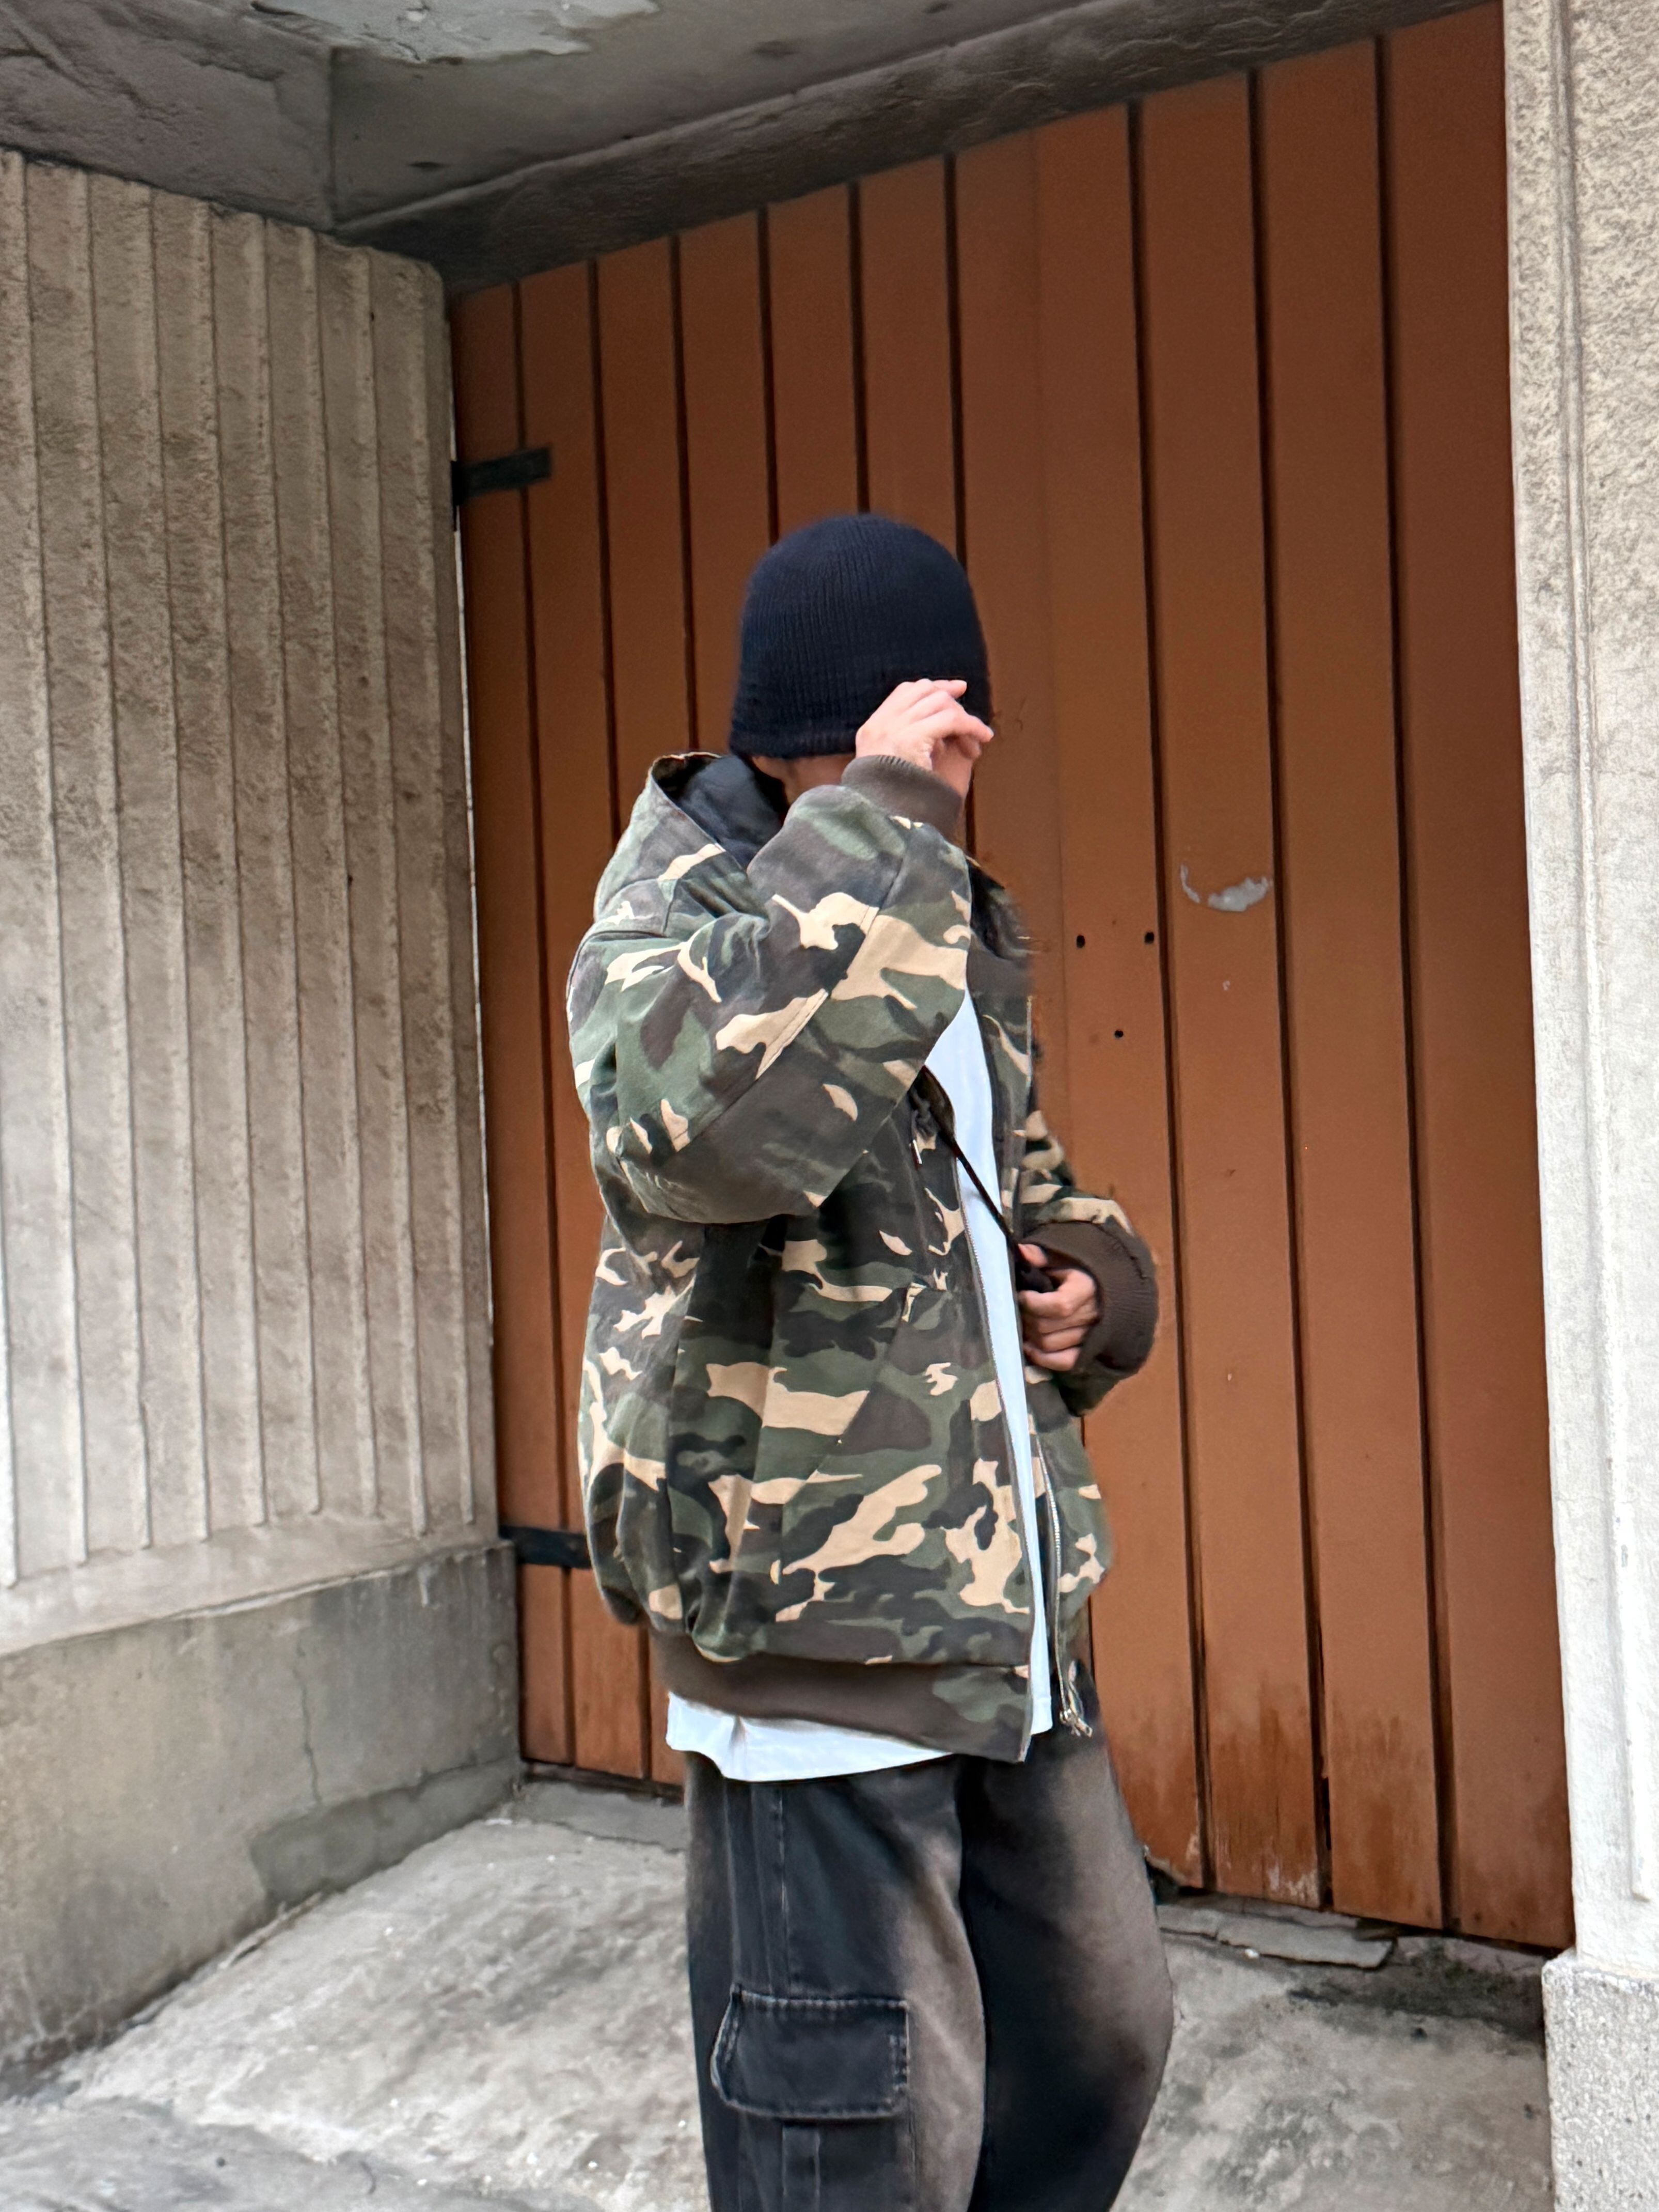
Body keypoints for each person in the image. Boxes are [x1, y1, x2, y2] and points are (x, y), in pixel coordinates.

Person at [566, 514, 1172, 2210]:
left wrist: (1094, 1285)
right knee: (857, 2153)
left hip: (998, 1617)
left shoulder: (925, 905)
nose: (957, 770)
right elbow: (719, 1136)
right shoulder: (675, 918)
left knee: (1097, 2041)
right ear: (821, 730)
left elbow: (1016, 1177)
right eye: (926, 732)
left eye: (962, 737)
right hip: (814, 1654)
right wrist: (887, 821)